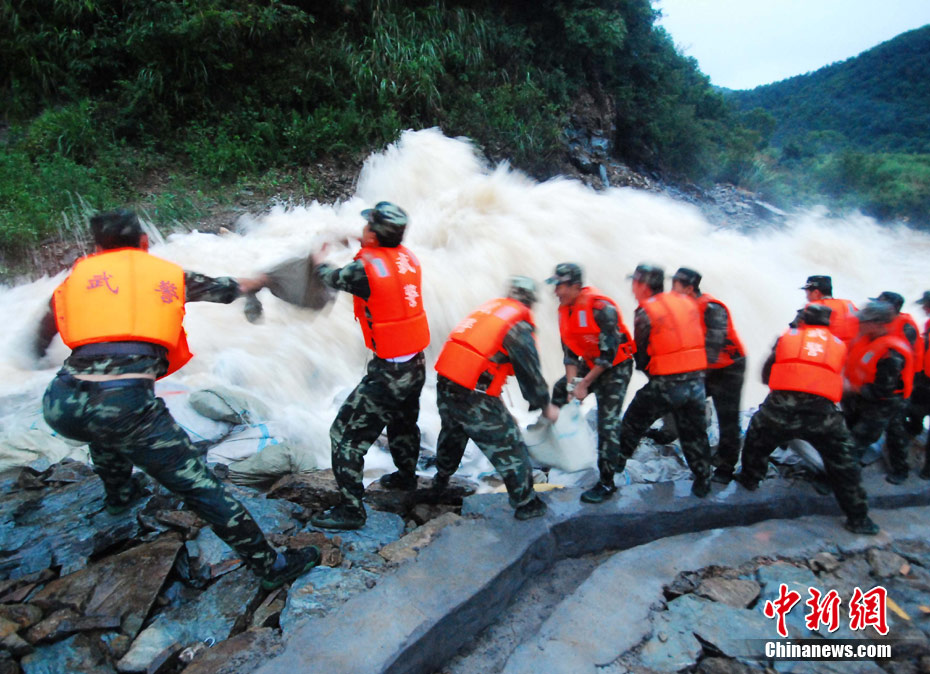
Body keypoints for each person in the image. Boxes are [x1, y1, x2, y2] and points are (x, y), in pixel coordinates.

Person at [36, 209, 319, 590]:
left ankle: (119, 496)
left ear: (98, 247)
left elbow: (43, 329)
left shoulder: (76, 280)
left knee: (101, 430)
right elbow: (229, 287)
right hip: (124, 404)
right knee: (199, 486)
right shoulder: (169, 276)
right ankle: (272, 566)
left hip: (61, 400)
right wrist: (268, 279)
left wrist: (36, 355)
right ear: (144, 243)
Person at [309, 201, 430, 530]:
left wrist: (319, 256)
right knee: (403, 424)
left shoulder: (363, 270)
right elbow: (382, 257)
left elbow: (330, 277)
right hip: (416, 364)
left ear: (375, 235)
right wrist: (359, 239)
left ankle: (351, 510)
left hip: (388, 372)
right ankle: (406, 478)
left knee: (344, 436)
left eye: (367, 227)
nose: (362, 230)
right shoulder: (407, 257)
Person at [733, 304, 878, 535]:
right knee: (844, 462)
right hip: (822, 416)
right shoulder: (839, 345)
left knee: (756, 437)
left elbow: (765, 375)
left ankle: (750, 478)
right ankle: (859, 519)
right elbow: (838, 378)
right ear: (827, 324)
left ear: (803, 321)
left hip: (780, 412)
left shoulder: (786, 338)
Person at [431, 276, 558, 519]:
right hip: (474, 396)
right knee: (510, 445)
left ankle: (441, 480)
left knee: (453, 432)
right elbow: (530, 373)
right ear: (530, 302)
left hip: (446, 383)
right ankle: (526, 504)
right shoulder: (518, 327)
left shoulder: (489, 311)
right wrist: (544, 405)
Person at [618, 264, 713, 497]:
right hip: (697, 381)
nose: (632, 288)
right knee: (694, 431)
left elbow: (641, 355)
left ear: (641, 285)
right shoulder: (687, 302)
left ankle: (610, 474)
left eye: (634, 283)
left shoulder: (646, 311)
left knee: (632, 423)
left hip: (668, 383)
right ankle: (703, 479)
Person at [545, 263, 636, 503]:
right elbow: (569, 354)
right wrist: (572, 383)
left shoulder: (601, 309)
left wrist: (584, 384)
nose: (556, 292)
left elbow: (608, 356)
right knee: (558, 390)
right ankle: (554, 442)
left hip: (615, 366)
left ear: (576, 286)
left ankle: (607, 482)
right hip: (590, 361)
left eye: (561, 287)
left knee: (607, 423)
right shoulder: (564, 310)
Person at [670, 267, 746, 483]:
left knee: (728, 416)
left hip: (728, 368)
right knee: (676, 400)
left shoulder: (712, 308)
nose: (672, 289)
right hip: (703, 367)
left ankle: (726, 466)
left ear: (689, 288)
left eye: (676, 284)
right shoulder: (684, 307)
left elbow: (713, 348)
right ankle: (672, 434)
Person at [843, 300, 914, 484]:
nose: (860, 324)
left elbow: (881, 390)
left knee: (865, 438)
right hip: (862, 396)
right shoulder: (864, 339)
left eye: (865, 322)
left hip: (886, 402)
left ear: (878, 324)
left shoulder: (890, 354)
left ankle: (899, 471)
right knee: (889, 431)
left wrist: (850, 388)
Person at [792, 275, 858, 344]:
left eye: (807, 293)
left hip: (826, 351)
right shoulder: (849, 305)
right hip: (853, 351)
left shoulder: (811, 309)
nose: (806, 297)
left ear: (816, 293)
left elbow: (794, 333)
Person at [907, 291, 930, 479]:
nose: (924, 308)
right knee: (913, 408)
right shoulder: (929, 325)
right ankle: (914, 430)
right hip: (925, 379)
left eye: (926, 305)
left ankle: (927, 471)